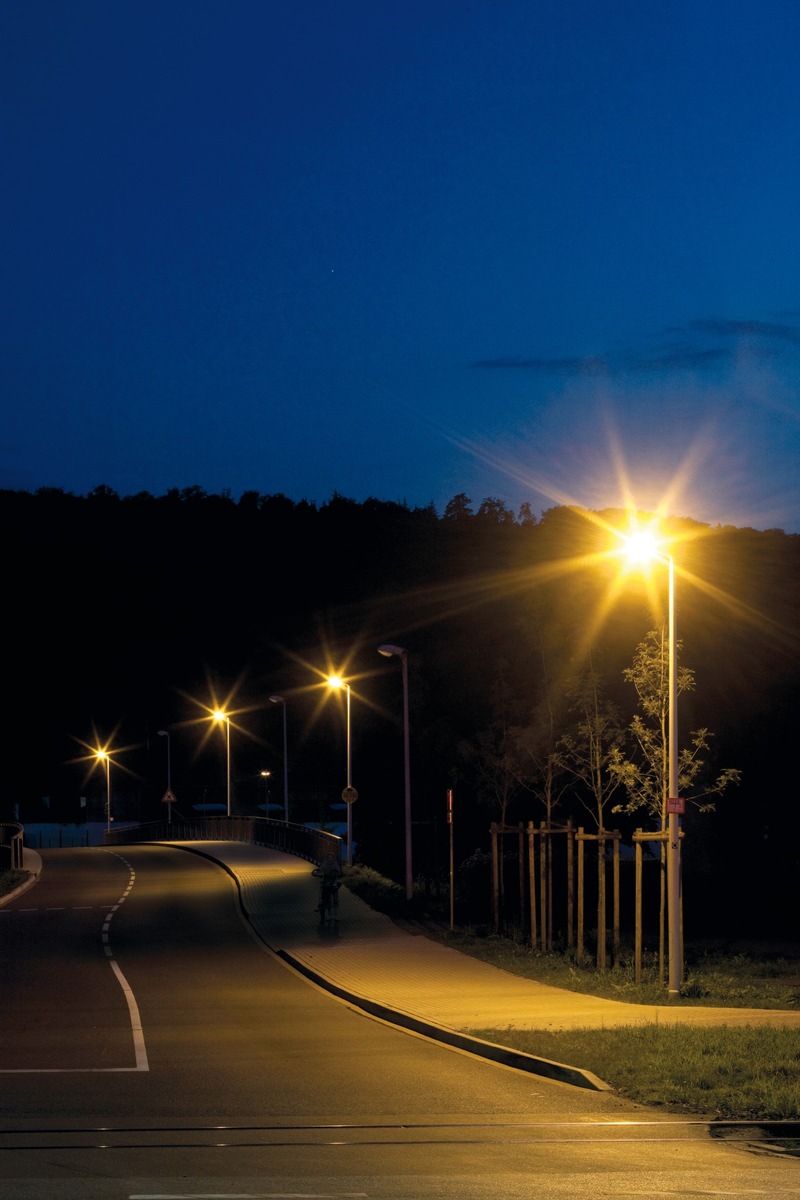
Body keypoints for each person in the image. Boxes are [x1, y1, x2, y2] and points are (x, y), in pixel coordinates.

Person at [312, 852, 342, 921]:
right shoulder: (325, 864)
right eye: (329, 858)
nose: (330, 859)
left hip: (333, 884)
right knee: (328, 900)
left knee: (335, 900)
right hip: (326, 884)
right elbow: (319, 870)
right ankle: (330, 915)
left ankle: (336, 915)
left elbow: (338, 872)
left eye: (332, 858)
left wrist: (334, 875)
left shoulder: (335, 864)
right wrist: (318, 873)